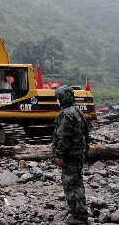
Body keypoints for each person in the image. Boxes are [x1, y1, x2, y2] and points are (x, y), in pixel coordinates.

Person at [52, 85, 90, 224]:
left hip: (70, 156)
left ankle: (78, 215)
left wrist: (59, 155)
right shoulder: (77, 112)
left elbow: (63, 137)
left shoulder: (65, 114)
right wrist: (85, 151)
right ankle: (80, 210)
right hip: (78, 155)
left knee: (70, 185)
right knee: (78, 183)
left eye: (58, 98)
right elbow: (86, 133)